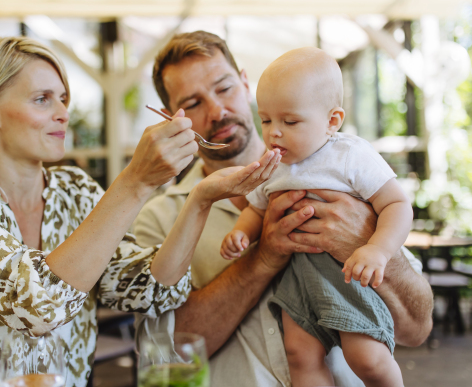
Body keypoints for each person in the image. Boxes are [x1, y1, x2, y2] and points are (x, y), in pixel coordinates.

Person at [0, 36, 278, 387]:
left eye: (63, 99)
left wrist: (199, 198)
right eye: (42, 99)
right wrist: (135, 181)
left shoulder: (75, 191)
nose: (63, 113)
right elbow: (34, 308)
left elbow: (152, 290)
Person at [133, 31, 434, 386]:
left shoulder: (347, 170)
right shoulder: (158, 220)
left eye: (224, 87)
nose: (218, 110)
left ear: (245, 83)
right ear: (173, 118)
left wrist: (368, 243)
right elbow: (164, 355)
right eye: (194, 103)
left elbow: (417, 329)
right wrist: (261, 257)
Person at [222, 47, 412, 386]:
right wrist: (241, 233)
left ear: (332, 121)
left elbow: (397, 205)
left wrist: (378, 250)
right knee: (299, 354)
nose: (274, 133)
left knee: (366, 357)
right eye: (265, 120)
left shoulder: (349, 155)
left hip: (345, 273)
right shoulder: (272, 164)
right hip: (297, 277)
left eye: (290, 121)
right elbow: (256, 208)